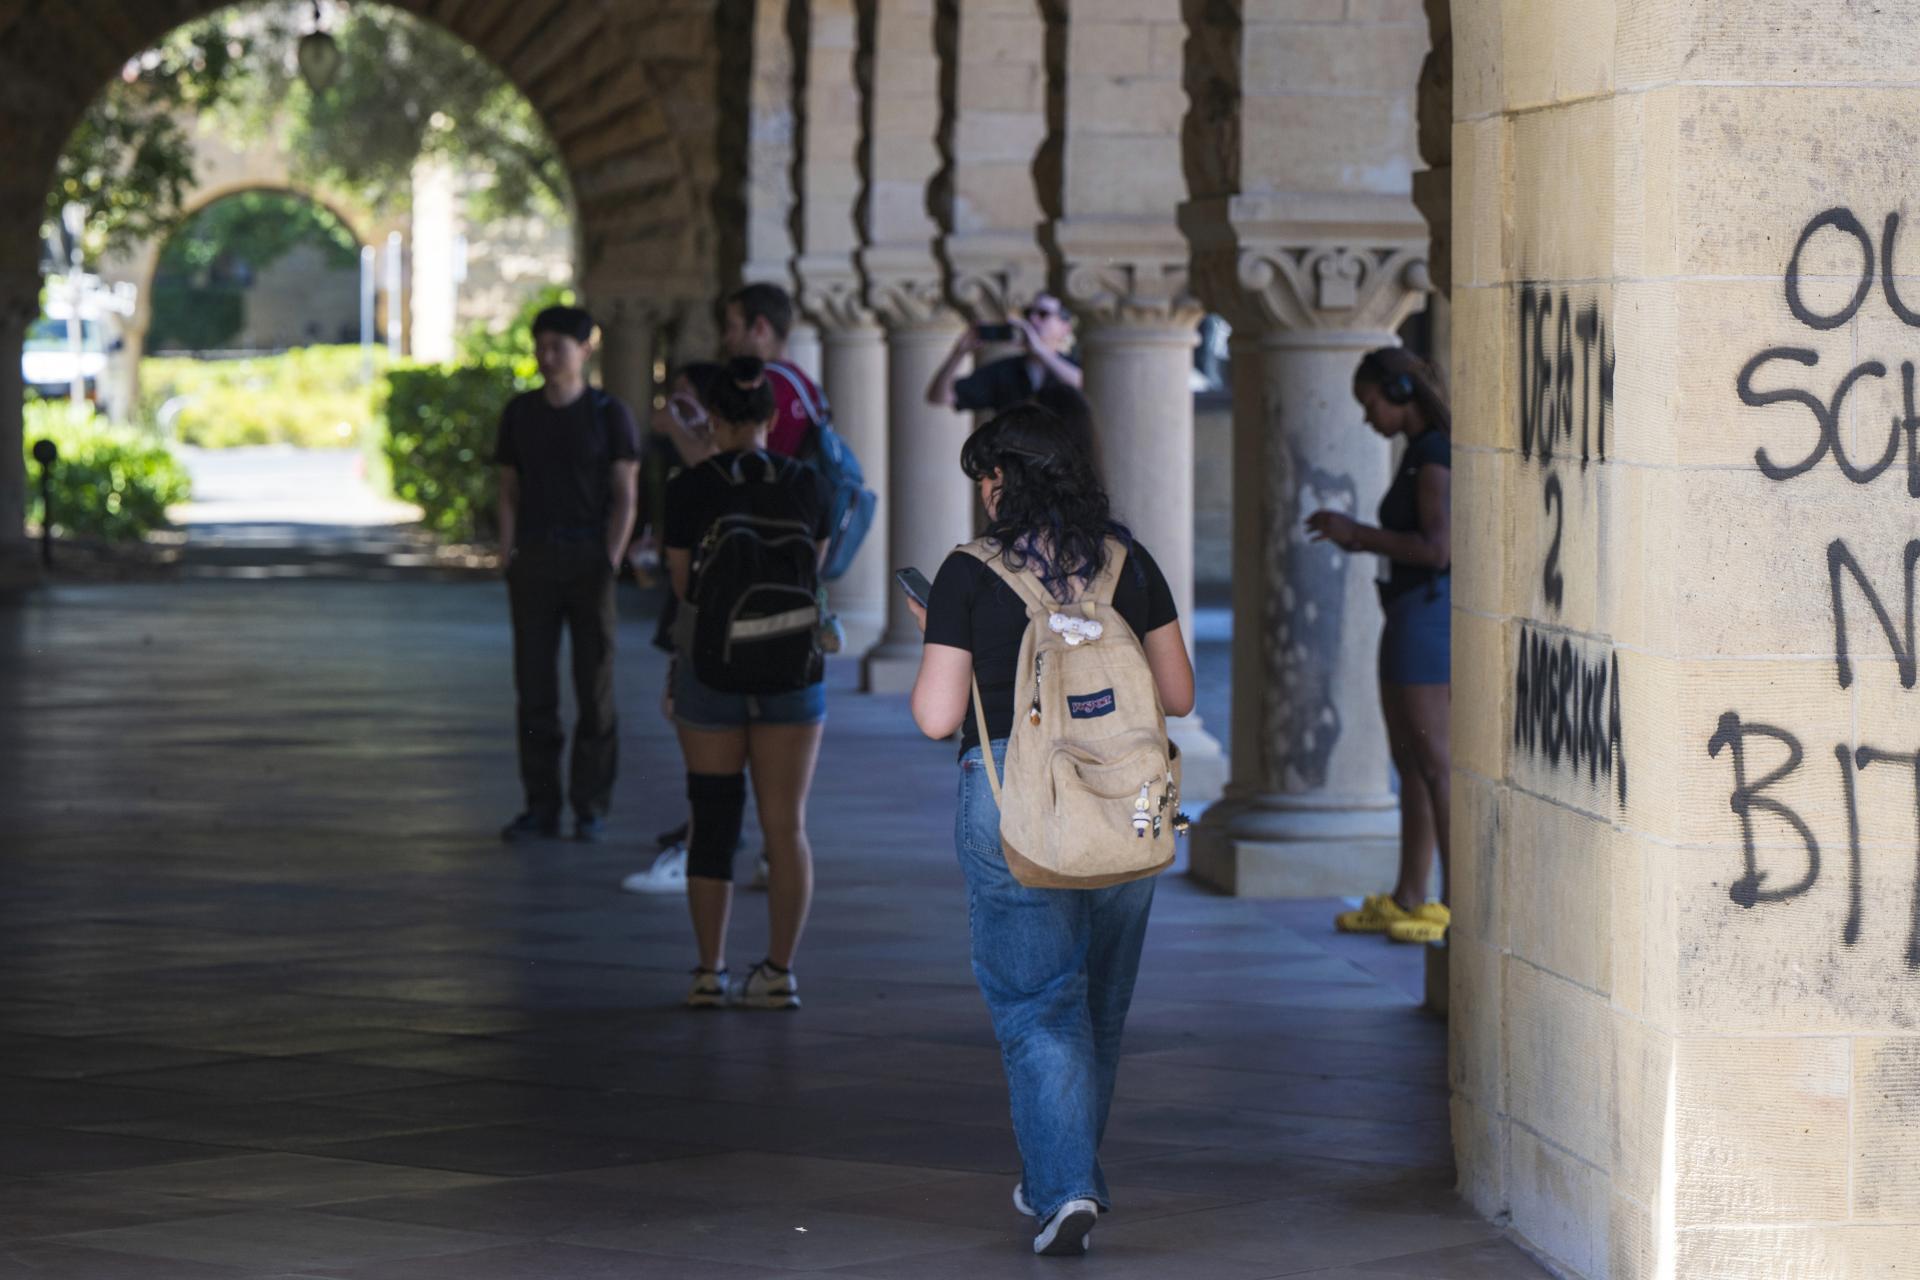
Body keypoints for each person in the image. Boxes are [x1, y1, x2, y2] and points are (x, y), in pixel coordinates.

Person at [906, 404, 1195, 1256]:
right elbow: (1177, 696)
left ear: (1003, 480)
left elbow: (935, 716)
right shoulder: (1127, 559)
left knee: (1038, 1007)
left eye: (986, 477)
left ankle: (1063, 1185)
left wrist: (944, 637)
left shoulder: (968, 573)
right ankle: (1063, 1179)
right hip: (1124, 805)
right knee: (1097, 1007)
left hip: (1011, 807)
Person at [663, 356, 832, 1009]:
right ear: (770, 416)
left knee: (712, 818)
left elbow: (685, 587)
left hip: (711, 668)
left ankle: (710, 971)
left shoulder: (689, 487)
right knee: (785, 826)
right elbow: (812, 577)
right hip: (794, 670)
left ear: (713, 418)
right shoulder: (810, 484)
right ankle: (778, 973)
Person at [1306, 347, 1452, 945]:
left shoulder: (1435, 458)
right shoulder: (1419, 455)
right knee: (1411, 763)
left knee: (1435, 762)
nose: (1368, 420)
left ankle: (1455, 906)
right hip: (1409, 614)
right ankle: (1409, 895)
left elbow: (1438, 550)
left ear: (1398, 393)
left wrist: (1357, 535)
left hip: (1426, 617)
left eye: (1370, 404)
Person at [495, 304, 640, 844]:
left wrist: (609, 557)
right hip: (533, 559)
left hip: (587, 562)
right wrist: (508, 552)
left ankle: (590, 803)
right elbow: (508, 489)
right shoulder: (521, 413)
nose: (547, 356)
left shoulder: (608, 415)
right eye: (541, 345)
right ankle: (541, 802)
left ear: (585, 349)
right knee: (534, 689)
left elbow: (627, 493)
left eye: (558, 346)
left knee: (594, 685)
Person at [721, 282, 830, 459]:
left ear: (760, 327)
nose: (726, 338)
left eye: (732, 327)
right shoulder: (805, 384)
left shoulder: (758, 386)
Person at [925, 293, 1082, 414]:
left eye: (1043, 314)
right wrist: (958, 353)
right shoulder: (1005, 370)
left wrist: (1041, 351)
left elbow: (1084, 384)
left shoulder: (1075, 364)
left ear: (1065, 327)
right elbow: (940, 397)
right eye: (1028, 313)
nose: (1033, 319)